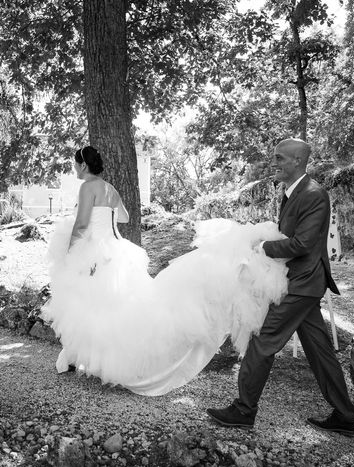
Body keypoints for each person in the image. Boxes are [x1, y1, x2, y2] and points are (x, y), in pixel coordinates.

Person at [43, 145, 289, 396]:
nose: (74, 168)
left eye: (75, 164)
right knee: (116, 308)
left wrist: (71, 252)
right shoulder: (110, 189)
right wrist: (105, 220)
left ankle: (94, 360)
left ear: (83, 165)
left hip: (93, 252)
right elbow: (125, 217)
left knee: (89, 305)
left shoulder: (88, 186)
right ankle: (87, 357)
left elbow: (82, 224)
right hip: (116, 251)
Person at [206, 138, 354, 436]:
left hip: (300, 285)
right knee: (319, 351)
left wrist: (262, 246)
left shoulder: (314, 194)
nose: (273, 163)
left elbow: (302, 244)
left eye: (279, 158)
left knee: (262, 341)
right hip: (303, 284)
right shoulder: (293, 192)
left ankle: (244, 409)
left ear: (298, 161)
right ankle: (345, 416)